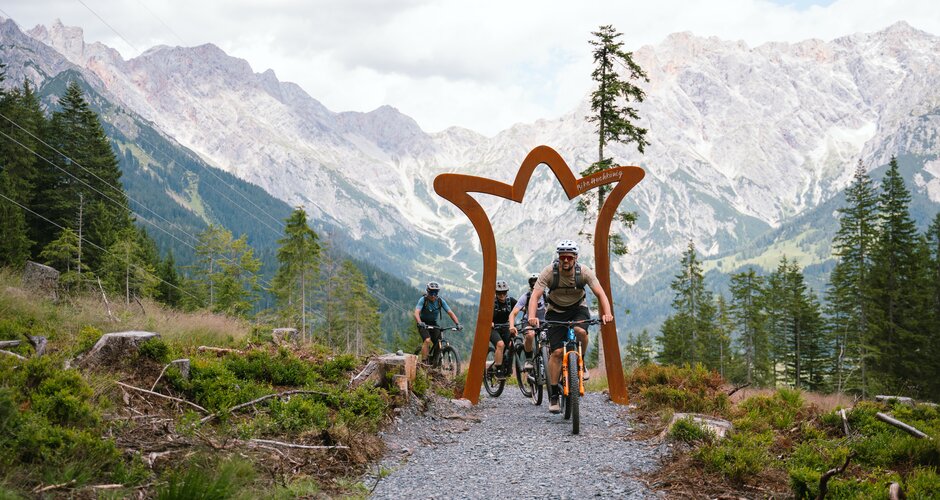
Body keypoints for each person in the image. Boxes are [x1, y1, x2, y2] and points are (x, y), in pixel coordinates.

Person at [527, 240, 613, 414]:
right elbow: (535, 296)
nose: (565, 260)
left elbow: (600, 293)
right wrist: (531, 316)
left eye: (569, 257)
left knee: (580, 331)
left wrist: (607, 313)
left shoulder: (584, 272)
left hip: (578, 309)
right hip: (555, 312)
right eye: (562, 257)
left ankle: (582, 362)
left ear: (575, 258)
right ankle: (553, 395)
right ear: (558, 258)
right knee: (557, 353)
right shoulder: (550, 272)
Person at [414, 281, 462, 363]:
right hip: (423, 323)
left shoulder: (440, 301)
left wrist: (457, 323)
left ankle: (435, 362)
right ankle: (424, 362)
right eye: (431, 293)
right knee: (427, 340)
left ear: (437, 293)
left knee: (439, 343)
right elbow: (416, 312)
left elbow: (450, 312)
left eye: (435, 293)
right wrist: (419, 322)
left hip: (433, 324)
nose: (433, 295)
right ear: (427, 292)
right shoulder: (423, 300)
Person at [509, 273, 546, 370]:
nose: (535, 286)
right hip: (528, 321)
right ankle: (529, 359)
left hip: (544, 322)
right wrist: (512, 326)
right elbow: (513, 313)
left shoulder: (547, 296)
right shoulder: (526, 296)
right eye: (533, 284)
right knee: (530, 335)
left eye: (537, 283)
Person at [491, 279, 517, 378]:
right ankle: (498, 369)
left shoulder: (510, 301)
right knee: (500, 345)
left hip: (505, 327)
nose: (502, 295)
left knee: (512, 345)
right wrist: (489, 322)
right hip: (493, 329)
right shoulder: (491, 302)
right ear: (496, 293)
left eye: (504, 293)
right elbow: (483, 314)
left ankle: (508, 366)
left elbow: (521, 307)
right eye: (499, 293)